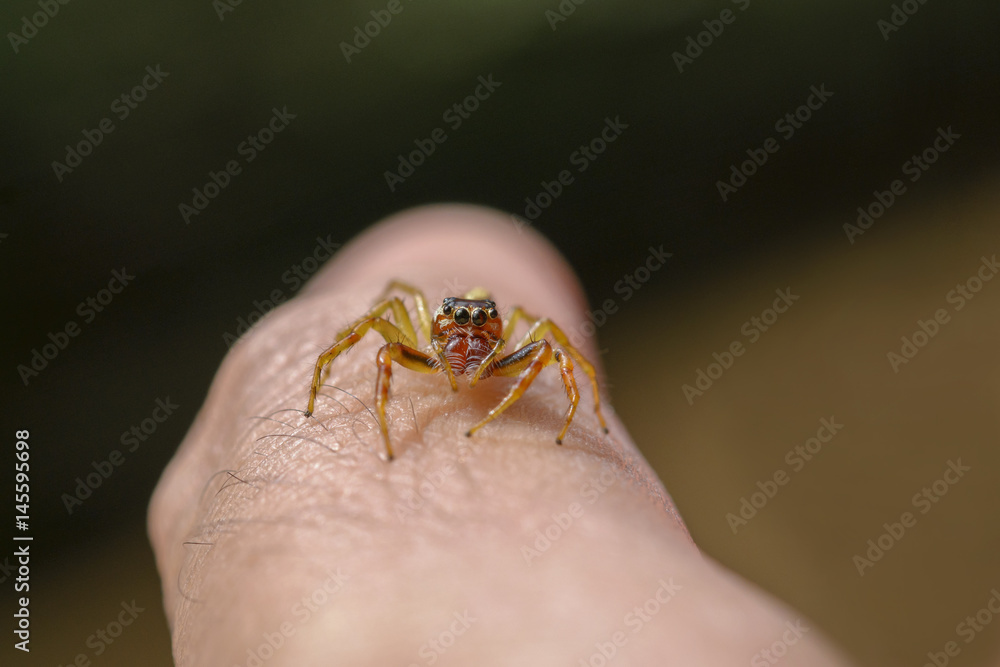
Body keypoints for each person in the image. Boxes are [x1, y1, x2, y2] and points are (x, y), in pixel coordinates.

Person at [149, 204, 855, 666]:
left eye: (476, 333)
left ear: (490, 331)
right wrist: (342, 405)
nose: (464, 344)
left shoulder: (514, 338)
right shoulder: (415, 333)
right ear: (440, 329)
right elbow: (371, 323)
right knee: (370, 315)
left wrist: (532, 412)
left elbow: (555, 344)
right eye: (454, 333)